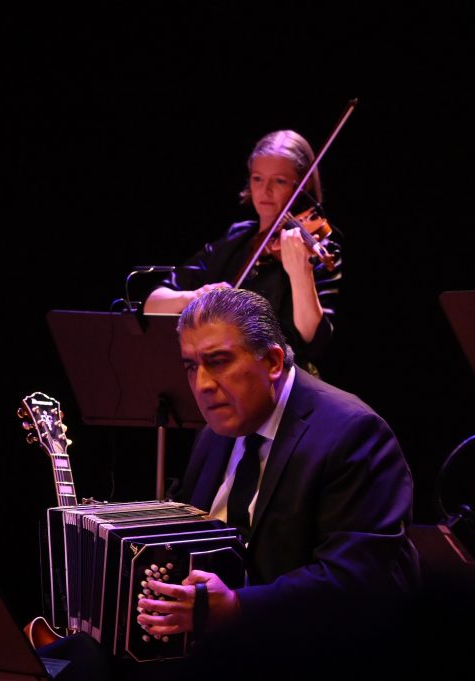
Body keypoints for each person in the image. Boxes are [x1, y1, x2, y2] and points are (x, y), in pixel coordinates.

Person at [135, 288, 418, 677]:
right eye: (190, 366)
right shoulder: (216, 431)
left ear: (271, 360)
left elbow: (355, 580)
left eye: (217, 362)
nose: (201, 384)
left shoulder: (353, 433)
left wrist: (236, 607)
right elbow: (193, 535)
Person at [144, 130, 341, 374]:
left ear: (303, 185)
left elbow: (313, 340)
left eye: (279, 180)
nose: (265, 190)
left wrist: (300, 272)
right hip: (220, 376)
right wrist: (195, 297)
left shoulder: (315, 248)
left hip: (282, 381)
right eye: (258, 178)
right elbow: (152, 304)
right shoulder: (236, 239)